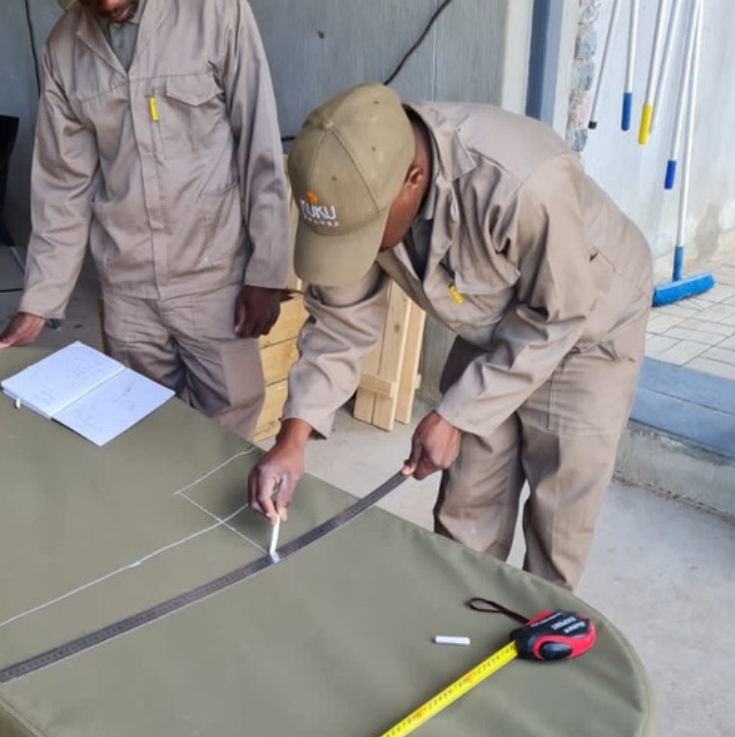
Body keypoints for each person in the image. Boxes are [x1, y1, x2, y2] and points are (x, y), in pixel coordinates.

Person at [249, 84, 653, 588]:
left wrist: (456, 412)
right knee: (465, 510)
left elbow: (559, 316)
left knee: (559, 519)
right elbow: (339, 323)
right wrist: (293, 438)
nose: (360, 249)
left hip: (588, 324)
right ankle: (459, 629)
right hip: (492, 323)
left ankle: (539, 640)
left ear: (412, 179)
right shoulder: (357, 189)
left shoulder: (522, 183)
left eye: (364, 235)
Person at [0, 0, 289, 441]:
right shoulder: (63, 50)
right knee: (141, 436)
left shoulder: (215, 7)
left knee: (227, 434)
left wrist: (268, 272)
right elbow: (62, 187)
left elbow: (260, 148)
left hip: (215, 280)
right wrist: (40, 300)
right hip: (127, 288)